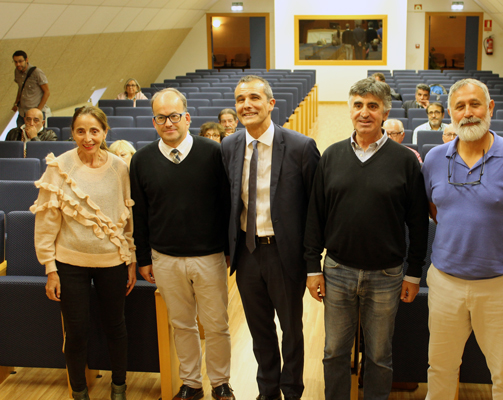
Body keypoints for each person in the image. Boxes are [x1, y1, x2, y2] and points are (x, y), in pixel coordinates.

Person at [421, 78, 503, 400]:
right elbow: (435, 211)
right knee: (439, 370)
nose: (468, 113)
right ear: (451, 114)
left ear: (490, 108)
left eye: (475, 104)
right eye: (460, 107)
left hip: (501, 287)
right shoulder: (435, 160)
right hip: (445, 285)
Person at [304, 77, 429, 400]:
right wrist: (312, 267)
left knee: (379, 355)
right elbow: (315, 215)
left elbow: (418, 223)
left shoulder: (404, 161)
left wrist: (414, 272)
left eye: (372, 106)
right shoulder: (330, 156)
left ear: (385, 112)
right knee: (334, 351)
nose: (364, 112)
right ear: (350, 109)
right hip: (337, 271)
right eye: (358, 105)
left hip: (386, 275)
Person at [130, 88, 234, 400]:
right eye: (161, 118)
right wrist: (144, 256)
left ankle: (220, 382)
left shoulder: (212, 153)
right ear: (154, 122)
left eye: (174, 116)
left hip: (210, 256)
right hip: (165, 258)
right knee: (182, 325)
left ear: (187, 118)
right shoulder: (142, 159)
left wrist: (230, 249)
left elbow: (226, 204)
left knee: (216, 325)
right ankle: (191, 383)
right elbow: (140, 213)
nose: (168, 122)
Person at [221, 75, 320, 400]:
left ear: (271, 104)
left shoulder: (300, 147)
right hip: (247, 254)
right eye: (240, 100)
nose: (246, 105)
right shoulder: (230, 145)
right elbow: (228, 200)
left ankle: (291, 392)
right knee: (259, 330)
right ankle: (267, 392)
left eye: (254, 98)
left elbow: (313, 211)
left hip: (284, 253)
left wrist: (311, 265)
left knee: (291, 331)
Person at [31, 106, 136, 400]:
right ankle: (78, 391)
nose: (87, 138)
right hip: (70, 263)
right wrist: (50, 268)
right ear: (72, 133)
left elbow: (128, 218)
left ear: (105, 132)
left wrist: (130, 259)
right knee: (76, 332)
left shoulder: (120, 167)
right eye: (80, 131)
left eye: (94, 131)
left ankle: (119, 387)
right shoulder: (59, 167)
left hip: (112, 261)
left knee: (116, 327)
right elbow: (46, 221)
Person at [12, 50, 50, 128]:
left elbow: (47, 92)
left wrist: (38, 110)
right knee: (20, 136)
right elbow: (20, 89)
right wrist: (16, 103)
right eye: (15, 62)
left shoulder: (37, 73)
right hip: (22, 113)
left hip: (35, 113)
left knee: (35, 137)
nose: (18, 64)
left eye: (20, 61)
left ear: (26, 60)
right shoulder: (17, 71)